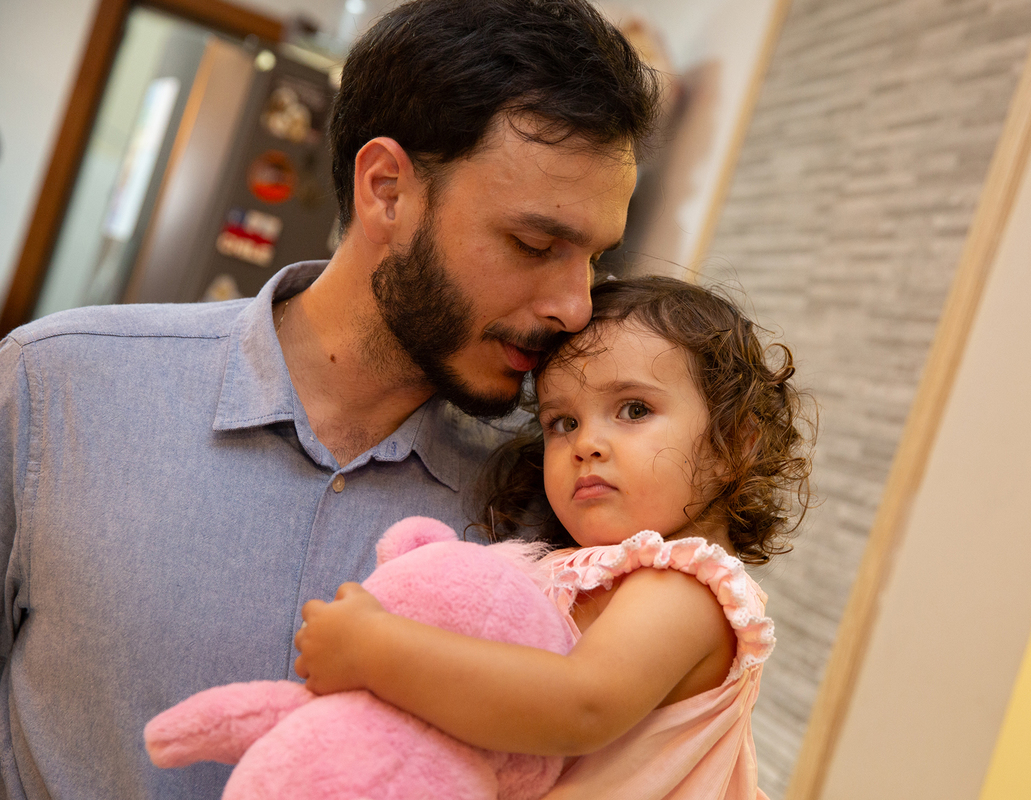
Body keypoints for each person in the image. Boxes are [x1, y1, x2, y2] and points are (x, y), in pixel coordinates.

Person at [0, 1, 659, 797]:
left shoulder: (555, 505)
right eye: (533, 244)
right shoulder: (55, 385)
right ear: (386, 189)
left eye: (593, 258)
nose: (575, 307)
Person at [294, 276, 815, 799]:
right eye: (562, 421)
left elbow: (579, 706)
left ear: (735, 446)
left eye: (634, 409)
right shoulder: (589, 566)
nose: (586, 443)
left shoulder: (684, 588)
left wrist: (375, 649)